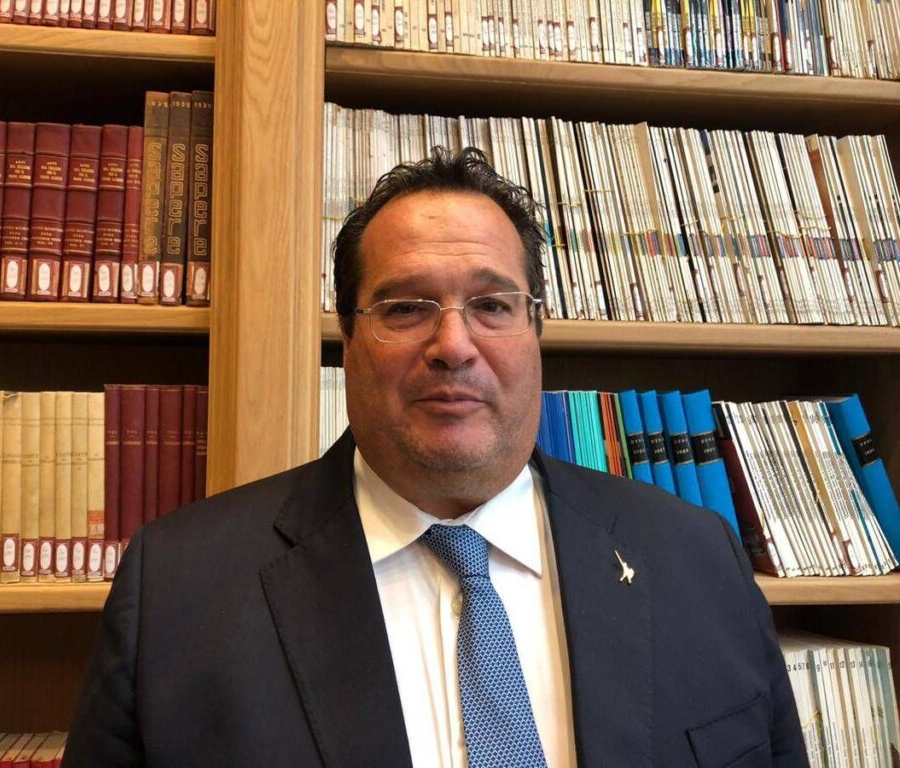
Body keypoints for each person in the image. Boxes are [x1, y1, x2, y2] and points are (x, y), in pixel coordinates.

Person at [63, 147, 807, 767]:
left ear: (536, 332)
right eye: (405, 308)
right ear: (348, 341)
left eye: (492, 306)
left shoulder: (697, 559)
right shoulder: (179, 589)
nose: (453, 346)